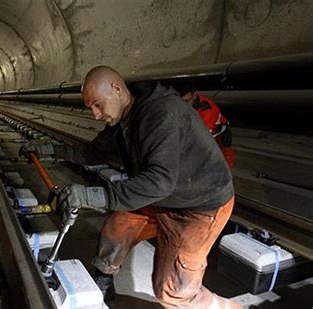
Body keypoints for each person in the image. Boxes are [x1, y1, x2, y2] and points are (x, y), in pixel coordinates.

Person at [20, 66, 240, 308]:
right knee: (117, 228)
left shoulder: (160, 114)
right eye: (90, 108)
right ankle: (103, 278)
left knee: (173, 291)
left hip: (198, 207)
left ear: (116, 89)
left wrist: (94, 195)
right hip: (161, 196)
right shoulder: (123, 119)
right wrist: (50, 150)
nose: (95, 114)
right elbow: (91, 152)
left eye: (98, 105)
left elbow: (160, 180)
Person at [179, 84, 235, 169]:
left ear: (194, 96)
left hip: (219, 138)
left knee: (223, 167)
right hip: (204, 132)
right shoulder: (187, 104)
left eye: (187, 101)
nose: (183, 105)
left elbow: (201, 139)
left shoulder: (207, 110)